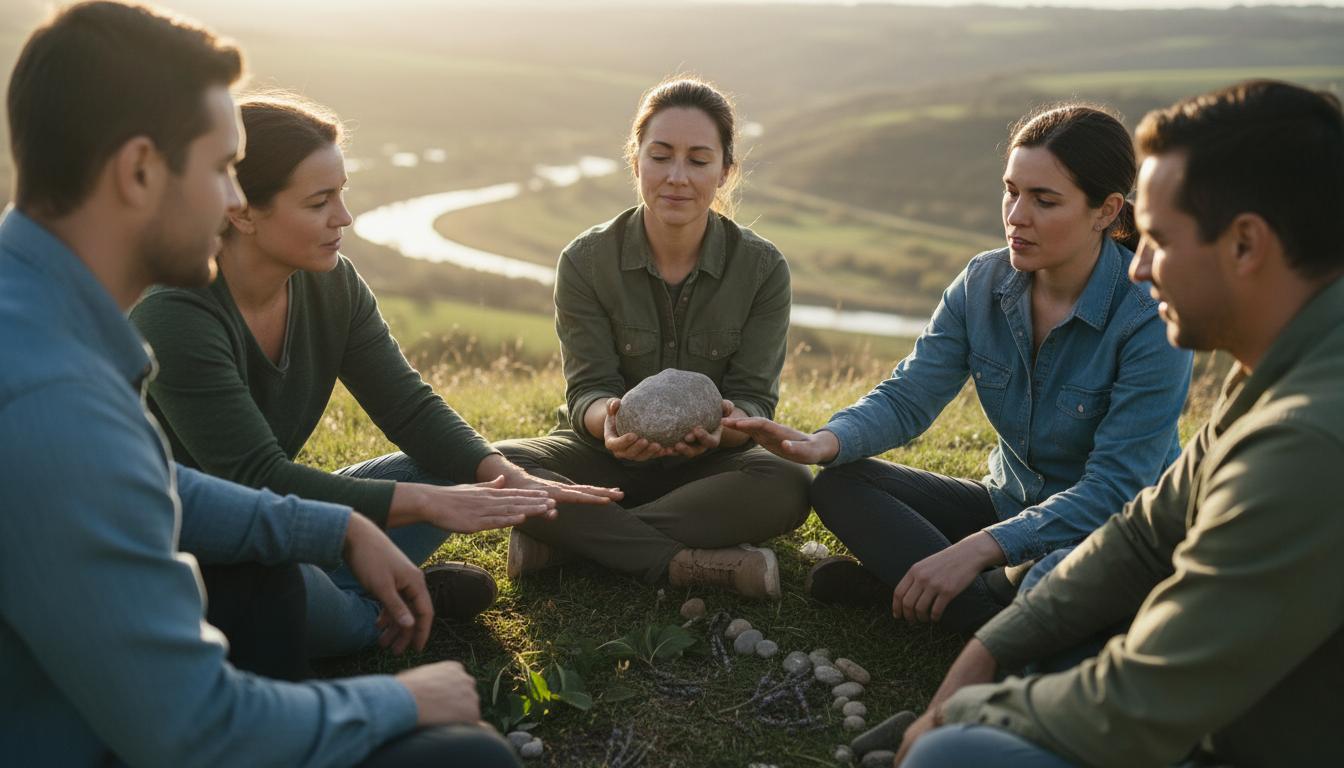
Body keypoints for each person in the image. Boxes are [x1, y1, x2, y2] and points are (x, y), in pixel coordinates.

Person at [0, 3, 517, 765]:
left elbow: (156, 483)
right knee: (467, 754)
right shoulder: (55, 402)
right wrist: (405, 695)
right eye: (219, 171)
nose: (232, 202)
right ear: (139, 171)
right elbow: (196, 731)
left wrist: (334, 527)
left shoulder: (40, 317)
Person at [896, 79, 1344, 768]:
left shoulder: (1307, 440)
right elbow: (1140, 536)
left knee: (951, 755)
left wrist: (960, 713)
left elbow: (1137, 706)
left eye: (1158, 240)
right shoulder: (1276, 369)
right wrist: (993, 646)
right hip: (1214, 698)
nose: (1137, 265)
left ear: (1246, 246)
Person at [130, 94, 621, 657]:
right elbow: (254, 477)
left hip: (284, 518)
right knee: (296, 592)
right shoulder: (175, 313)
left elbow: (408, 407)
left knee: (457, 471)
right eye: (319, 202)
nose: (343, 217)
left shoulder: (331, 283)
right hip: (188, 543)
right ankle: (377, 607)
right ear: (240, 211)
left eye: (342, 193)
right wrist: (428, 505)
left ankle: (370, 585)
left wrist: (506, 476)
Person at [726, 105, 1193, 632]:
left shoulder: (1149, 317)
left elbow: (1114, 489)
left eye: (1044, 200)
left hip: (1108, 532)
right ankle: (989, 606)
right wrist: (825, 442)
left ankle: (948, 603)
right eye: (1011, 190)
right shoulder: (981, 284)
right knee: (839, 483)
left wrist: (976, 550)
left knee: (1055, 573)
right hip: (1006, 508)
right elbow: (911, 394)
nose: (1016, 215)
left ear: (1106, 211)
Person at [494, 77, 812, 599]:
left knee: (790, 483)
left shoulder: (762, 269)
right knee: (501, 467)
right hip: (602, 457)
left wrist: (721, 434)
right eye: (661, 156)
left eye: (699, 160)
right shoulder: (586, 261)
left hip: (711, 470)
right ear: (635, 160)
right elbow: (587, 391)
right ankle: (685, 562)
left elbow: (755, 400)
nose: (677, 177)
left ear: (725, 172)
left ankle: (573, 544)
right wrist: (612, 423)